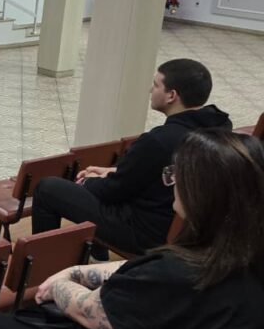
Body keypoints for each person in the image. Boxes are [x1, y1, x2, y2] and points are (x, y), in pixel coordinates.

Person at [0, 129, 264, 329]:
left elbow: (93, 311)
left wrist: (62, 282)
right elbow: (145, 274)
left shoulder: (176, 274)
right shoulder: (241, 255)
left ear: (202, 193)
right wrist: (80, 271)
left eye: (178, 173)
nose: (172, 180)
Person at [31, 59, 231, 257]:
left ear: (171, 95)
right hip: (188, 228)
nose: (150, 90)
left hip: (145, 233)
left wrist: (88, 182)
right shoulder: (219, 130)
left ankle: (44, 265)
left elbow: (114, 191)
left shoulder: (159, 140)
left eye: (155, 85)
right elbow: (155, 174)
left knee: (48, 188)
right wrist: (113, 172)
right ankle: (98, 256)